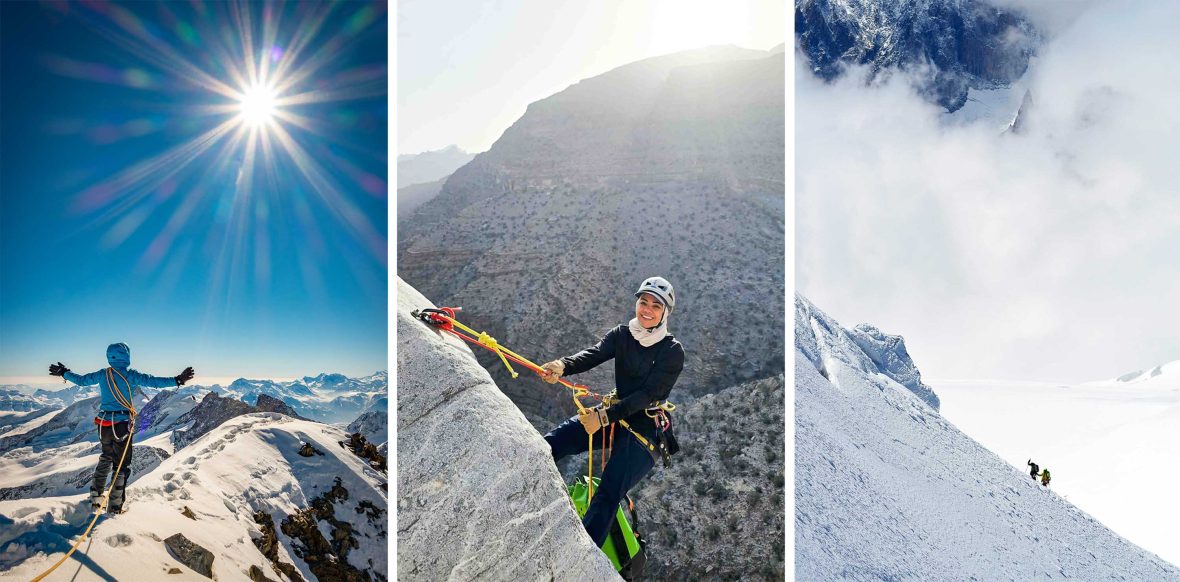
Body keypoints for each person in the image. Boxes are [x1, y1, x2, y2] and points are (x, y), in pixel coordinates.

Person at [539, 276, 685, 547]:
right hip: (615, 415)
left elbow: (647, 396)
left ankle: (581, 557)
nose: (647, 310)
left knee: (607, 494)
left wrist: (602, 418)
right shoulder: (622, 335)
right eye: (643, 303)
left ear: (665, 312)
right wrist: (562, 365)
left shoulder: (672, 352)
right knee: (553, 442)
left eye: (656, 306)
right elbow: (593, 354)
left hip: (645, 433)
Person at [49, 343, 194, 513]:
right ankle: (115, 506)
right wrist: (177, 380)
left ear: (109, 357)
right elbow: (154, 381)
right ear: (127, 356)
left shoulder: (103, 374)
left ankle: (95, 497)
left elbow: (81, 381)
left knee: (105, 457)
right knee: (121, 466)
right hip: (121, 425)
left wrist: (64, 372)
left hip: (103, 424)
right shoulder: (131, 375)